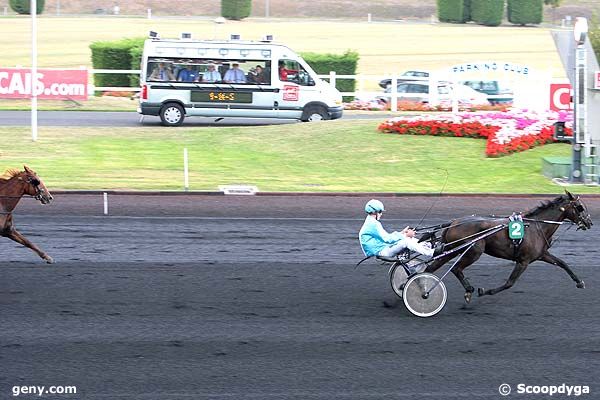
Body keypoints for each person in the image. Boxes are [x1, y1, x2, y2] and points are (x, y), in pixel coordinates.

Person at [359, 199, 435, 263]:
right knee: (406, 241)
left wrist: (402, 233)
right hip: (381, 252)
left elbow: (387, 238)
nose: (381, 214)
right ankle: (432, 253)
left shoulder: (370, 222)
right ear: (375, 212)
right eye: (380, 212)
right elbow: (387, 239)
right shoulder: (373, 224)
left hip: (382, 248)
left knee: (407, 239)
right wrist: (405, 235)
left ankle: (427, 245)